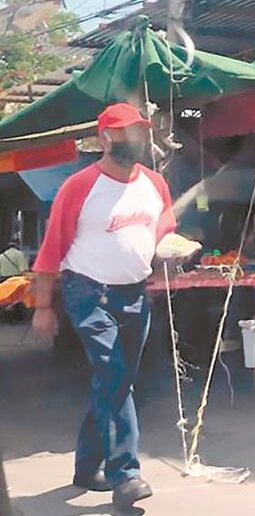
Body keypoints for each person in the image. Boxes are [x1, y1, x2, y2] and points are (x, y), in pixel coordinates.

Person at [31, 103, 175, 510]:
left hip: (135, 293)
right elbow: (50, 251)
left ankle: (85, 466)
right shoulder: (79, 187)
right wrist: (43, 306)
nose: (137, 138)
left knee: (113, 381)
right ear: (105, 138)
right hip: (88, 293)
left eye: (141, 131)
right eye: (126, 131)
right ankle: (126, 473)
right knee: (114, 374)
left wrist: (171, 249)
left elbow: (163, 229)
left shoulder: (154, 184)